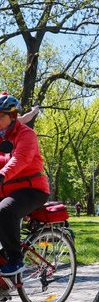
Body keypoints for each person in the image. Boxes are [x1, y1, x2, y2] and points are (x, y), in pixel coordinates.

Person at [0, 93, 50, 275]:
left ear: (12, 116)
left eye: (0, 116)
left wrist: (2, 174)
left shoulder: (26, 134)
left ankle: (15, 259)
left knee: (3, 211)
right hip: (6, 189)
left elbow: (21, 158)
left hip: (32, 189)